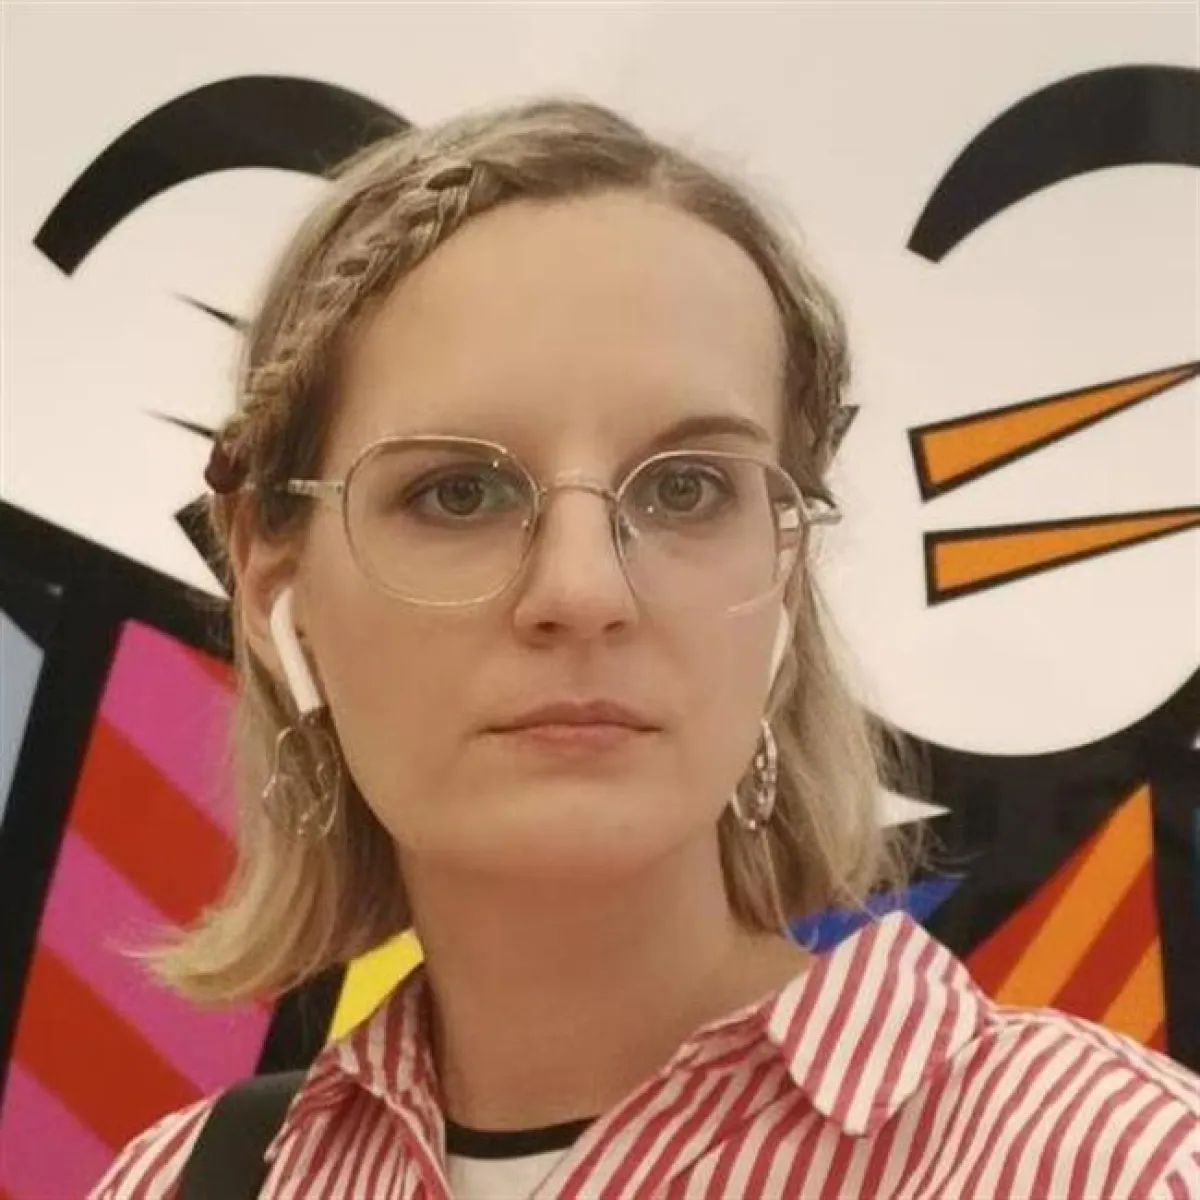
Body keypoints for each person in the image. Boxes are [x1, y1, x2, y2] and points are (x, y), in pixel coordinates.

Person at [90, 98, 1198, 1200]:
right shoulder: (178, 1185)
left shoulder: (1107, 1167)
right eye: (459, 492)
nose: (584, 591)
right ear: (273, 579)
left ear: (785, 570)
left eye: (687, 489)